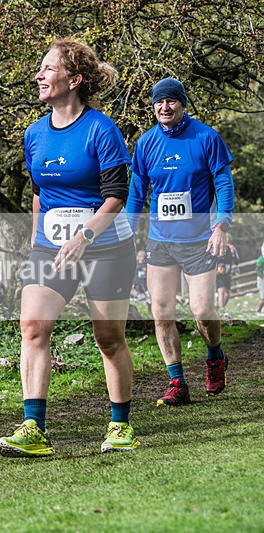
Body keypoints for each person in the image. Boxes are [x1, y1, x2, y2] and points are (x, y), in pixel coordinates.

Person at [0, 38, 139, 457]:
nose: (39, 76)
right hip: (51, 248)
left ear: (74, 80)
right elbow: (40, 192)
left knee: (108, 338)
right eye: (40, 69)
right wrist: (38, 242)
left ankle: (119, 426)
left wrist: (84, 237)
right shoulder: (34, 134)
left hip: (106, 247)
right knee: (33, 325)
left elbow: (116, 195)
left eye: (48, 69)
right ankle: (34, 429)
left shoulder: (101, 129)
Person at [126, 77, 234, 406]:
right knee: (161, 312)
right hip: (160, 241)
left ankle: (215, 356)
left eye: (171, 101)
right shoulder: (146, 144)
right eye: (159, 102)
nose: (165, 107)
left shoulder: (205, 137)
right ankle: (177, 381)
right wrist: (128, 235)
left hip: (200, 240)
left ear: (182, 104)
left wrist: (222, 225)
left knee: (202, 310)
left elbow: (224, 184)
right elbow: (136, 194)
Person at [215, 236, 239, 309]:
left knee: (227, 294)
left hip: (227, 274)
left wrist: (233, 253)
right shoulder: (217, 248)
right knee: (221, 291)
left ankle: (221, 308)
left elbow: (236, 261)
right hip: (219, 273)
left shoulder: (231, 249)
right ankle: (221, 308)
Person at [256, 242, 264, 314]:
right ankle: (258, 311)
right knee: (263, 298)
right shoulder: (261, 259)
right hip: (262, 281)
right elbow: (258, 270)